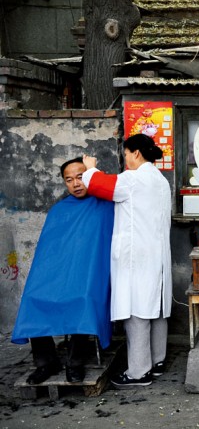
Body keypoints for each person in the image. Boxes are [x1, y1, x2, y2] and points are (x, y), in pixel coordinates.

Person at [11, 157, 114, 384]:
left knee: (82, 299)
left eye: (80, 177)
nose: (76, 184)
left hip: (89, 275)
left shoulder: (106, 205)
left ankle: (75, 363)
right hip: (59, 275)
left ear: (89, 175)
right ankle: (46, 362)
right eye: (69, 180)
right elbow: (49, 254)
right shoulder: (59, 210)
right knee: (33, 298)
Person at [82, 134, 172, 388]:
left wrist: (90, 168)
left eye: (125, 155)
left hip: (137, 256)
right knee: (155, 308)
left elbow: (99, 186)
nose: (125, 161)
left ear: (135, 154)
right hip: (155, 253)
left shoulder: (133, 179)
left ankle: (138, 372)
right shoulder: (159, 180)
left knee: (137, 312)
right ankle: (157, 362)